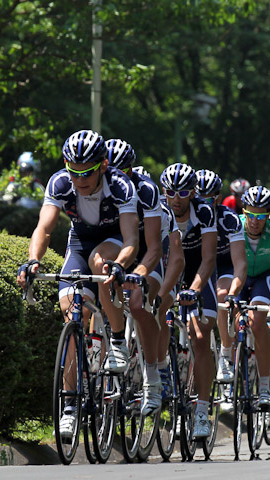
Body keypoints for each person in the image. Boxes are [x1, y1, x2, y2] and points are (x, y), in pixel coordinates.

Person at [16, 129, 139, 437]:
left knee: (100, 261)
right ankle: (70, 405)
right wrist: (33, 260)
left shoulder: (121, 185)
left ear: (103, 165)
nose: (79, 180)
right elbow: (44, 227)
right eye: (74, 171)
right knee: (72, 312)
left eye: (86, 172)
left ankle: (119, 340)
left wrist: (120, 265)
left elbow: (132, 238)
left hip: (113, 243)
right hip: (79, 243)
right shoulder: (59, 182)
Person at [104, 138, 184, 416]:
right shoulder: (100, 192)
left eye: (121, 170)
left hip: (151, 255)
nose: (113, 177)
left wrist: (161, 296)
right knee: (99, 289)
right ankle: (96, 347)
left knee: (140, 304)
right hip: (120, 250)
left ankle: (154, 374)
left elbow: (172, 257)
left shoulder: (150, 197)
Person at [159, 163, 218, 440]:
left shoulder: (204, 211)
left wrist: (194, 290)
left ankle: (203, 409)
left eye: (183, 192)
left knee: (199, 335)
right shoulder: (157, 208)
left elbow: (208, 259)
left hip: (199, 272)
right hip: (169, 267)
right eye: (171, 192)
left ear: (193, 192)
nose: (177, 198)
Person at [194, 170, 247, 387]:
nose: (205, 203)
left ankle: (226, 351)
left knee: (223, 296)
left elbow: (240, 263)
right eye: (199, 198)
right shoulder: (186, 217)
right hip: (195, 264)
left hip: (223, 264)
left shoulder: (229, 219)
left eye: (209, 199)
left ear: (217, 198)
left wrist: (234, 292)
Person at [238, 186, 270, 412]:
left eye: (260, 216)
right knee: (226, 311)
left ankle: (265, 387)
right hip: (240, 274)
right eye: (250, 214)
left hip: (264, 277)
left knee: (257, 322)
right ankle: (227, 366)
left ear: (269, 215)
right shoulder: (235, 225)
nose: (255, 221)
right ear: (243, 211)